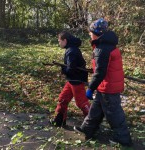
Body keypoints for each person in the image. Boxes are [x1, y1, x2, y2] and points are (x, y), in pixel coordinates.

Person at [74, 18, 132, 147]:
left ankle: (123, 139)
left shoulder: (102, 48)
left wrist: (90, 88)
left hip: (109, 86)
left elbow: (100, 72)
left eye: (90, 31)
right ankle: (87, 129)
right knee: (96, 109)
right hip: (105, 85)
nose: (89, 34)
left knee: (114, 113)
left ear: (96, 32)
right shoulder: (106, 44)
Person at [50, 31, 90, 127]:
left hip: (76, 80)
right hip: (72, 80)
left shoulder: (72, 51)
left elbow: (71, 69)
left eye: (60, 41)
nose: (59, 43)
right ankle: (58, 121)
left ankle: (91, 123)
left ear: (65, 40)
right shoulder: (71, 49)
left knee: (82, 103)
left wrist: (63, 70)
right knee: (63, 99)